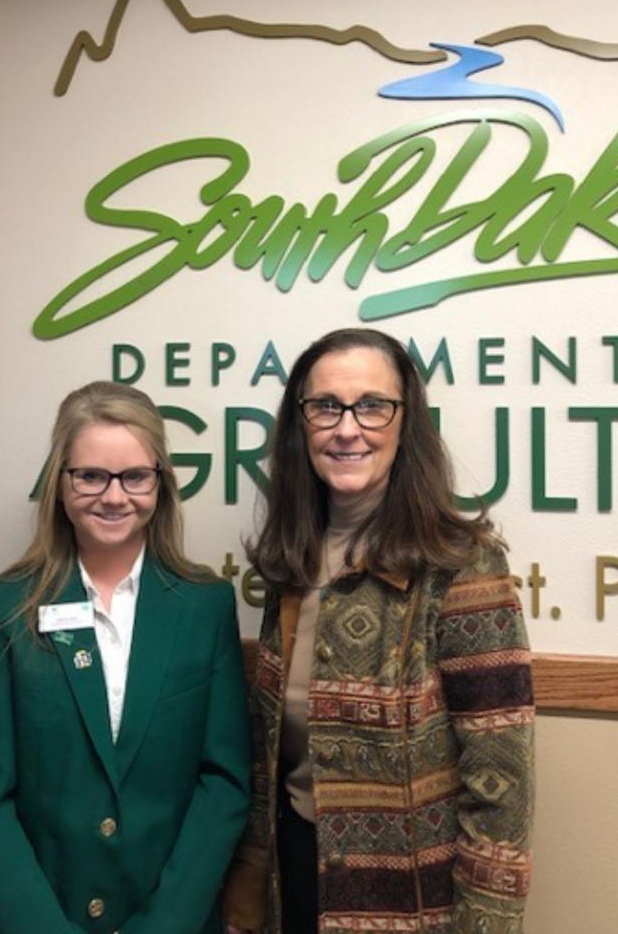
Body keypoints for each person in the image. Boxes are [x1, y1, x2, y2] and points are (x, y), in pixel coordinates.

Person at [224, 328, 534, 934]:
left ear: (405, 422)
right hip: (295, 878)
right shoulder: (292, 559)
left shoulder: (461, 565)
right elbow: (270, 757)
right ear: (300, 423)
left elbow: (502, 785)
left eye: (372, 405)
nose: (347, 428)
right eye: (326, 407)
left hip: (412, 905)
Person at [0, 380, 251, 934]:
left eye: (135, 476)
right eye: (90, 475)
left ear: (160, 484)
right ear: (60, 484)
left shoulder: (205, 607)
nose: (114, 497)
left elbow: (223, 783)